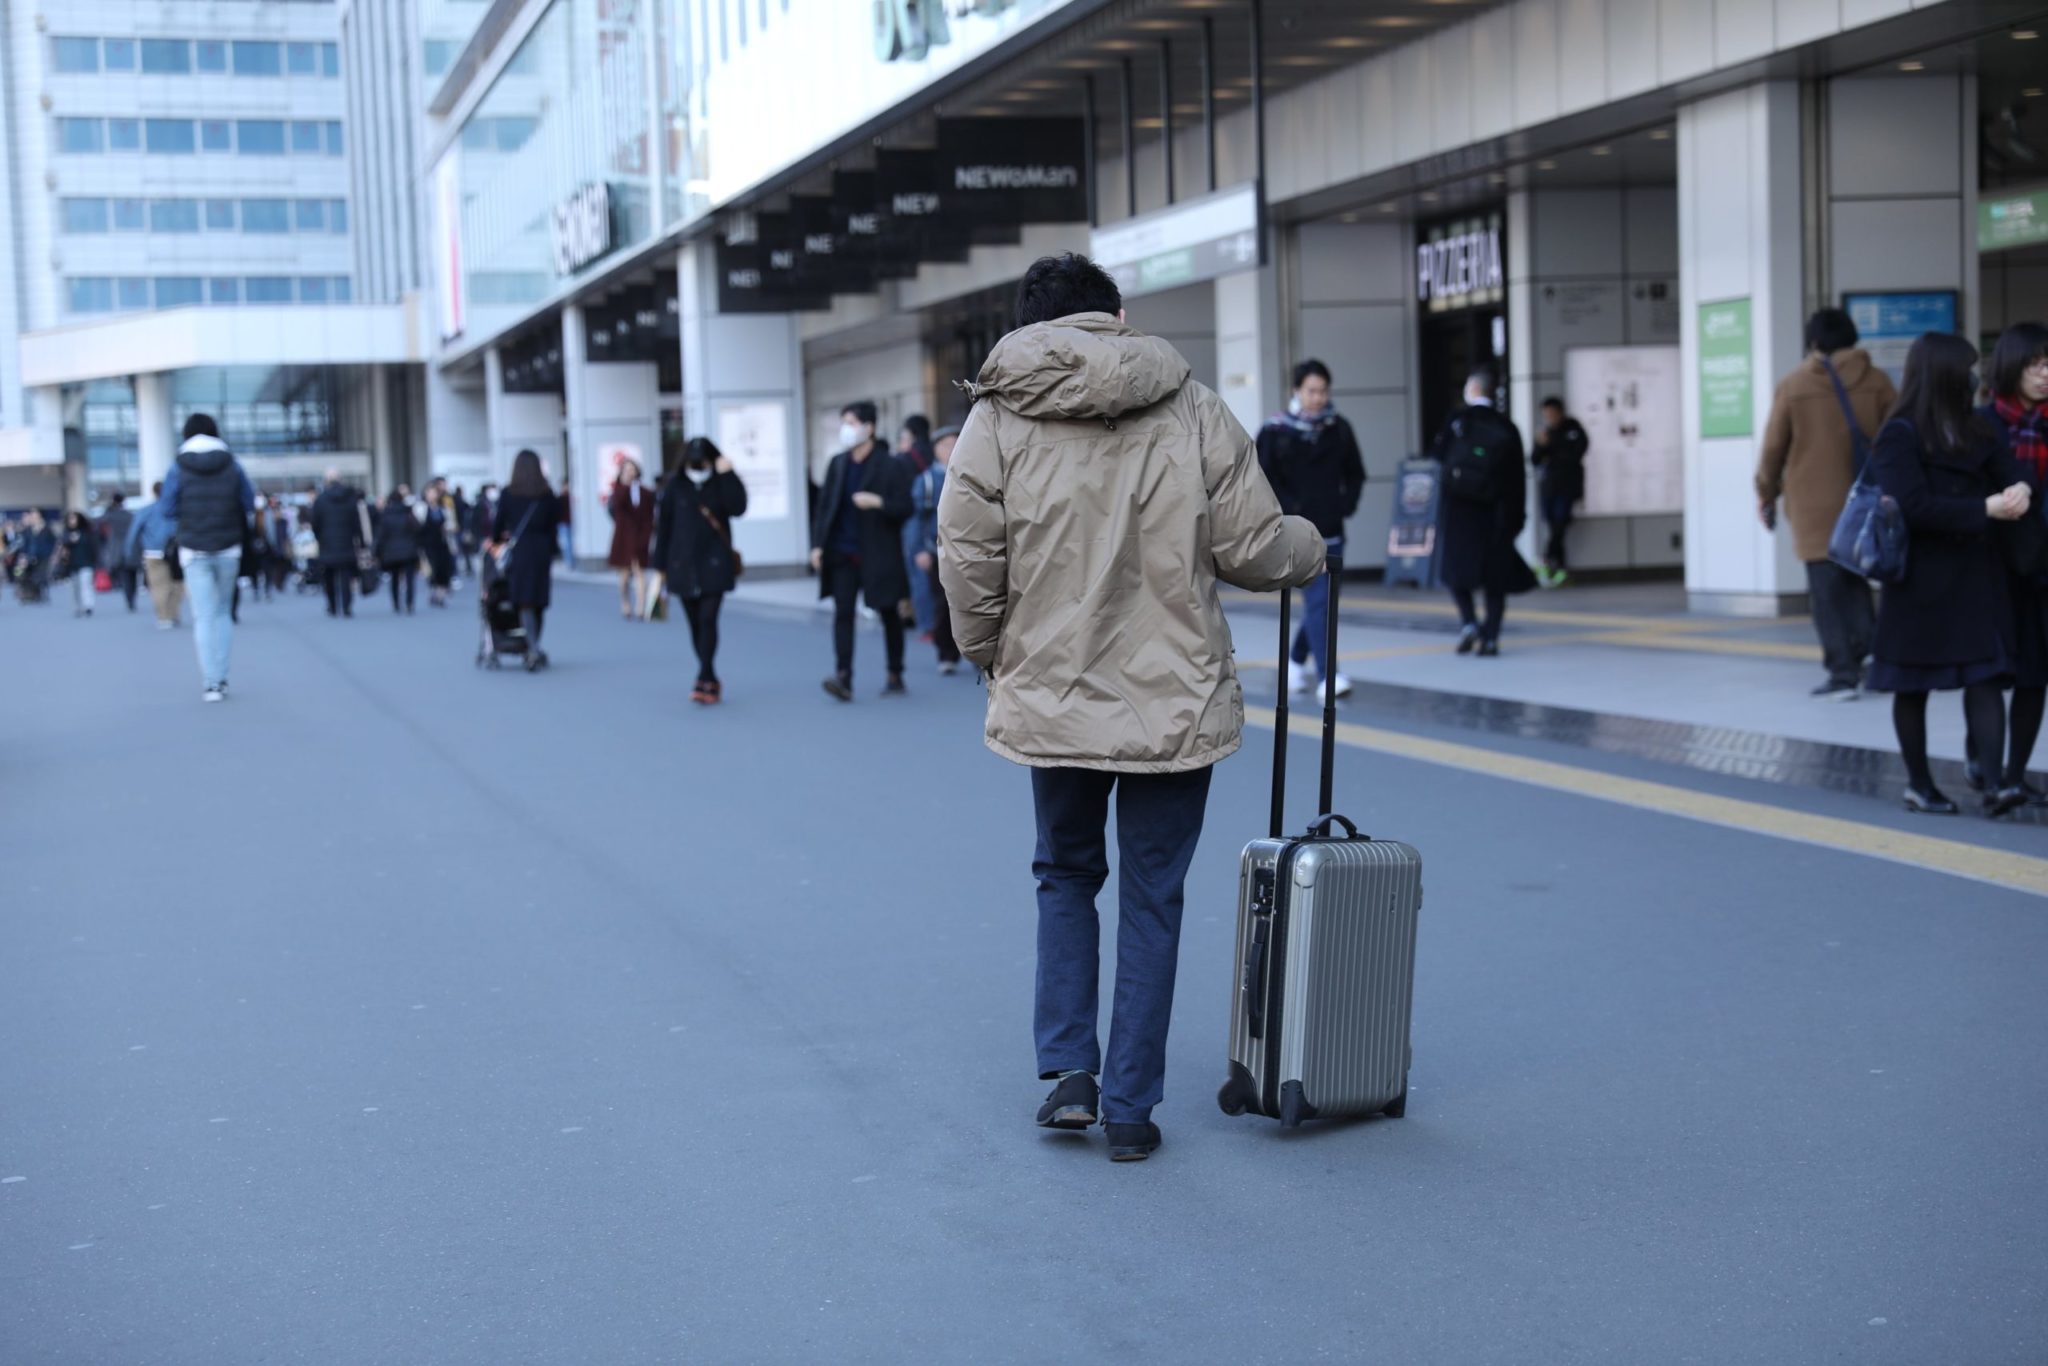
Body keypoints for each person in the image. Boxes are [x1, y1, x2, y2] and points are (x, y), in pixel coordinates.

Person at [938, 252, 1325, 1163]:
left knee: (1066, 875)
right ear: (1115, 315)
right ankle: (1132, 1108)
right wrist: (1311, 549)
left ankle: (1070, 1074)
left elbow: (966, 554)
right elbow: (1254, 545)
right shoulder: (1189, 403)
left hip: (1055, 691)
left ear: (1030, 323)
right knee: (1154, 895)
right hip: (1173, 695)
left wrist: (993, 653)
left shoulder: (997, 416)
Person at [1865, 332, 2032, 817]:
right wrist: (1984, 508)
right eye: (1967, 368)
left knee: (1984, 678)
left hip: (1975, 578)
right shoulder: (1899, 434)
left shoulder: (1977, 429)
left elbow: (2013, 473)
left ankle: (1997, 784)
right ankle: (1920, 784)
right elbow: (1912, 507)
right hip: (1917, 582)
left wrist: (2020, 488)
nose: (1974, 377)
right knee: (1911, 685)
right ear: (1943, 374)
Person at [1757, 308, 1899, 700]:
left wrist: (1766, 491)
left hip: (1812, 505)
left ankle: (1841, 672)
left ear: (1814, 342)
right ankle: (1870, 656)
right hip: (1865, 499)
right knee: (1856, 580)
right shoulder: (1878, 382)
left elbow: (1773, 449)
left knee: (1825, 589)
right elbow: (1900, 437)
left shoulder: (1795, 384)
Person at [1257, 359, 1366, 698]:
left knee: (1322, 604)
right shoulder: (1275, 432)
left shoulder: (1339, 429)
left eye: (1322, 391)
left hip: (1332, 529)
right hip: (1294, 533)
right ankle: (1328, 678)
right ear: (1296, 391)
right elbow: (1260, 481)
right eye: (1311, 391)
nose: (1318, 398)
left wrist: (1344, 505)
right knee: (1320, 602)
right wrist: (1285, 514)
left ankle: (1293, 661)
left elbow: (1356, 473)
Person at [1977, 321, 2048, 803]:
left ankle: (2013, 775)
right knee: (1986, 669)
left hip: (2042, 564)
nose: (2045, 374)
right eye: (2034, 365)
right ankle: (1981, 761)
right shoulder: (1984, 425)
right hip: (1989, 566)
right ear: (2011, 367)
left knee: (2035, 671)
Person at [811, 400, 914, 700]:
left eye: (852, 423)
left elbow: (905, 506)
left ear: (869, 428)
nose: (847, 429)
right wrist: (818, 545)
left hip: (878, 552)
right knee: (843, 613)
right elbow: (825, 507)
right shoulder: (838, 463)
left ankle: (895, 672)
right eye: (844, 422)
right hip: (842, 552)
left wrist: (878, 502)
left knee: (888, 611)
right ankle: (844, 675)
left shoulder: (890, 465)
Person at [1432, 365, 1537, 655]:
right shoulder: (1507, 427)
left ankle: (1469, 622)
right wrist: (1517, 517)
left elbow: (1439, 457)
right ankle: (1490, 636)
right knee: (1495, 579)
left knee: (1455, 572)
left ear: (1472, 389)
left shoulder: (1457, 420)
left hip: (1459, 511)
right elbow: (1517, 479)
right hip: (1495, 513)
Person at [159, 414, 256, 702]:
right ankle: (222, 677)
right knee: (224, 611)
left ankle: (211, 683)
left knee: (203, 616)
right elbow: (249, 502)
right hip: (229, 547)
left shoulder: (178, 466)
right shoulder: (232, 464)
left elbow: (166, 508)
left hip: (193, 548)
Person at [653, 437, 748, 704]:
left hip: (715, 563)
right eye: (694, 461)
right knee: (695, 624)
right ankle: (710, 674)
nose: (698, 465)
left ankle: (704, 675)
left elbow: (738, 507)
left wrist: (728, 473)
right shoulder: (675, 486)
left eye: (703, 461)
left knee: (708, 618)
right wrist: (660, 567)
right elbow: (664, 528)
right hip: (681, 564)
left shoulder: (720, 482)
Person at [490, 449, 563, 671]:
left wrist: (500, 538)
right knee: (539, 600)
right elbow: (554, 524)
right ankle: (535, 645)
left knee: (524, 601)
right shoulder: (547, 494)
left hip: (520, 551)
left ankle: (532, 647)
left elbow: (497, 526)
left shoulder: (508, 493)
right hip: (541, 551)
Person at [911, 425, 962, 675]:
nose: (951, 449)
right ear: (935, 450)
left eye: (955, 443)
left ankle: (975, 649)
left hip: (970, 550)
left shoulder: (972, 473)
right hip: (937, 549)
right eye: (945, 445)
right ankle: (946, 653)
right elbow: (917, 518)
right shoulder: (927, 480)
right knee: (943, 603)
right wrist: (919, 549)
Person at [1531, 396, 1590, 588]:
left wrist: (1552, 447)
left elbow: (1576, 454)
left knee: (1560, 522)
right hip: (1549, 487)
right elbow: (1535, 459)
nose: (1549, 417)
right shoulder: (1545, 433)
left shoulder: (1573, 429)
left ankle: (1547, 560)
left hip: (1567, 486)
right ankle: (1561, 570)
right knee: (1554, 526)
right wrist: (1541, 446)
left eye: (1552, 414)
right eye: (1546, 414)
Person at [897, 414, 938, 637]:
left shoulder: (908, 456)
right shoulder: (933, 451)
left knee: (919, 573)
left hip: (914, 517)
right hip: (938, 515)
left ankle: (927, 624)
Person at [126, 481, 184, 628]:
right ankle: (173, 613)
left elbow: (133, 533)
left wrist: (129, 551)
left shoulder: (146, 511)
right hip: (176, 552)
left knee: (159, 585)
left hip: (153, 552)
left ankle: (163, 617)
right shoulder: (178, 510)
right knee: (176, 584)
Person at [310, 469, 365, 617]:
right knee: (346, 576)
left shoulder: (321, 499)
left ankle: (333, 605)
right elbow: (356, 523)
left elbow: (315, 523)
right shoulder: (350, 498)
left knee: (329, 577)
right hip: (346, 542)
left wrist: (319, 537)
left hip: (327, 543)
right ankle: (347, 606)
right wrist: (359, 541)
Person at [607, 459, 655, 620]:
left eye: (632, 469)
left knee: (640, 570)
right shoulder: (618, 491)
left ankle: (640, 605)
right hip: (623, 536)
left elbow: (649, 515)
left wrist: (647, 533)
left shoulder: (646, 493)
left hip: (640, 536)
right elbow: (616, 509)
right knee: (624, 574)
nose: (630, 473)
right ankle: (625, 601)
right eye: (626, 470)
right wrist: (623, 486)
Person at [373, 487, 420, 613]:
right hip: (409, 550)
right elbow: (418, 529)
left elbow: (381, 536)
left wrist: (377, 553)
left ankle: (396, 603)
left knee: (394, 579)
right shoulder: (408, 513)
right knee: (410, 579)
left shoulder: (385, 515)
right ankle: (409, 603)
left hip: (391, 552)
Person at [417, 478, 457, 607]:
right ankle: (433, 591)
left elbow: (452, 525)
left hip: (442, 543)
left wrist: (448, 528)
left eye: (434, 492)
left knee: (443, 568)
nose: (432, 495)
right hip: (427, 544)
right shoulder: (420, 508)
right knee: (431, 569)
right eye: (430, 492)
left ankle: (440, 594)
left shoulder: (444, 508)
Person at [97, 492, 138, 612]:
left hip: (117, 550)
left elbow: (98, 522)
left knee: (124, 576)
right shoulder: (130, 515)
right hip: (132, 549)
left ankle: (128, 599)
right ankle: (132, 598)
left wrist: (108, 509)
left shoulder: (111, 515)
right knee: (133, 575)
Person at [59, 511, 98, 617]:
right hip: (71, 564)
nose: (72, 521)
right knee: (74, 588)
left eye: (74, 519)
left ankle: (88, 606)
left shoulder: (88, 532)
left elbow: (95, 547)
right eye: (70, 519)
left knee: (86, 585)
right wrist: (70, 541)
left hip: (86, 563)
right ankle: (77, 606)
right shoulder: (66, 533)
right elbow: (62, 546)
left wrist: (97, 561)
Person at [556, 478, 575, 569]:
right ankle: (569, 561)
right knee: (567, 543)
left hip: (569, 522)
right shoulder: (561, 498)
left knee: (569, 543)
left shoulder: (570, 497)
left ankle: (570, 561)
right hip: (563, 523)